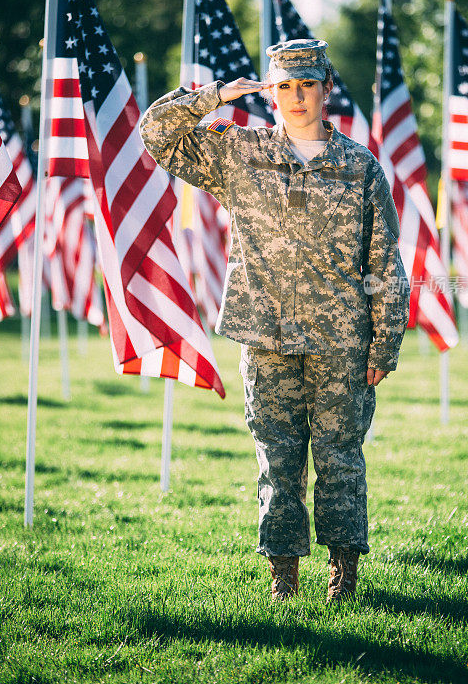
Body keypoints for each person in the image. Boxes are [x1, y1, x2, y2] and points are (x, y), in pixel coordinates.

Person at [139, 39, 410, 603]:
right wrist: (215, 95)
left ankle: (344, 572)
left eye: (307, 84)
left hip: (342, 340)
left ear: (326, 88)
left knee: (340, 458)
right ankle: (283, 575)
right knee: (277, 458)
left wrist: (384, 347)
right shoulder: (240, 153)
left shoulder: (359, 167)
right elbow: (155, 134)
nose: (296, 97)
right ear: (269, 92)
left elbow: (385, 259)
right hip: (266, 335)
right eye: (283, 85)